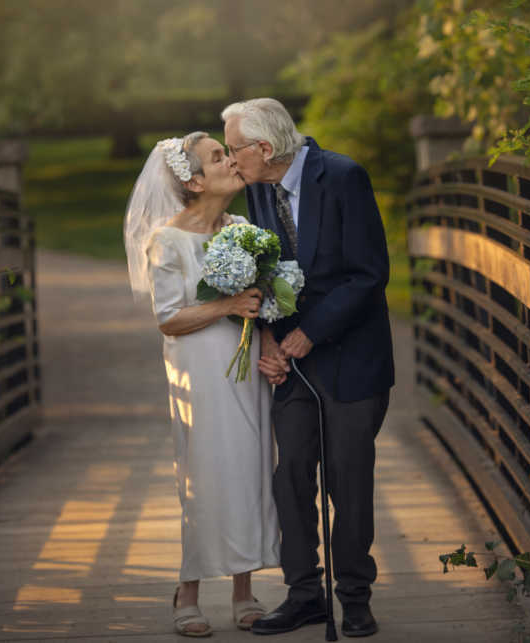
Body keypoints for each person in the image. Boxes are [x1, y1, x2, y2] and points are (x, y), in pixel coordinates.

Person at [221, 98, 394, 637]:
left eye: (233, 150)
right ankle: (304, 594)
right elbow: (266, 268)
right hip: (293, 364)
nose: (230, 161)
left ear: (264, 149)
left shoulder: (342, 177)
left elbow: (370, 274)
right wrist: (271, 340)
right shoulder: (256, 188)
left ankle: (354, 596)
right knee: (291, 475)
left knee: (349, 480)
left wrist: (309, 334)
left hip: (352, 359)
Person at [123, 132, 281, 637]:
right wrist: (226, 307)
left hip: (244, 366)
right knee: (204, 475)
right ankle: (187, 590)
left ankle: (243, 590)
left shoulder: (240, 227)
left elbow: (260, 298)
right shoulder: (167, 240)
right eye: (218, 157)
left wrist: (271, 343)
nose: (231, 160)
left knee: (251, 468)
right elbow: (168, 318)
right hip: (198, 369)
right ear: (193, 180)